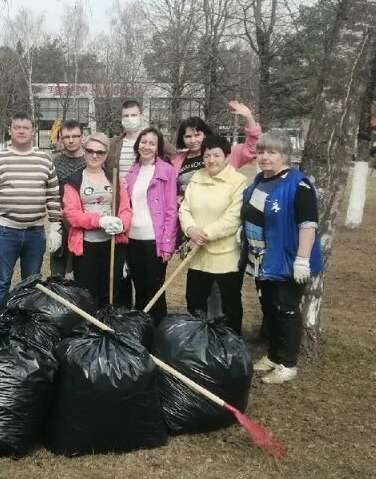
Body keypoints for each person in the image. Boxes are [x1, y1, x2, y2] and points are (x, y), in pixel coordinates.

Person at [240, 131, 323, 385]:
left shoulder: (299, 184)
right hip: (261, 260)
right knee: (270, 308)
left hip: (286, 260)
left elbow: (308, 224)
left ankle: (288, 364)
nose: (264, 157)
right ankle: (274, 355)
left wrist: (302, 259)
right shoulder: (259, 180)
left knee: (285, 310)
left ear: (285, 155)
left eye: (271, 152)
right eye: (262, 151)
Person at [0, 113, 62, 313]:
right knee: (1, 282)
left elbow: (53, 196)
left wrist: (56, 228)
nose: (22, 131)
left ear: (33, 130)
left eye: (26, 127)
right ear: (10, 130)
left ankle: (26, 327)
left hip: (35, 232)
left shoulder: (45, 159)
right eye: (17, 127)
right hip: (5, 231)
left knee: (31, 284)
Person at [178, 135, 249, 335]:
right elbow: (185, 209)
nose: (211, 160)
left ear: (227, 157)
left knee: (230, 304)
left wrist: (205, 234)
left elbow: (233, 217)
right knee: (195, 300)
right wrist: (191, 230)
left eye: (216, 155)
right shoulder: (197, 177)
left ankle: (230, 342)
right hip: (197, 255)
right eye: (207, 155)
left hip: (226, 256)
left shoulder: (238, 181)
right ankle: (199, 342)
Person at [63, 132, 132, 307]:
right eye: (90, 150)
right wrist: (99, 220)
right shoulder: (74, 180)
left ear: (106, 155)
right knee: (87, 293)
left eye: (100, 152)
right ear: (84, 152)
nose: (95, 155)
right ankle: (89, 330)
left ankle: (106, 327)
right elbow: (71, 213)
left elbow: (126, 209)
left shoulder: (114, 178)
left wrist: (121, 224)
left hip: (111, 245)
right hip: (85, 245)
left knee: (109, 292)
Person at [124, 127, 178, 323]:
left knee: (155, 290)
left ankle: (157, 330)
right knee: (139, 288)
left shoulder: (167, 171)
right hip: (133, 238)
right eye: (143, 142)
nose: (146, 146)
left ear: (158, 148)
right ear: (138, 145)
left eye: (152, 143)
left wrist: (167, 244)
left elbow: (172, 210)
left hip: (154, 239)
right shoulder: (132, 172)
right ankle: (141, 328)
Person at [170, 101, 262, 194]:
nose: (193, 140)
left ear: (205, 135)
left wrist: (249, 117)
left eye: (197, 135)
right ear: (182, 139)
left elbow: (253, 146)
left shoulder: (226, 153)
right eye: (188, 137)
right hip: (186, 207)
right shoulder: (175, 161)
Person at [49, 120, 87, 278]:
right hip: (61, 220)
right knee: (58, 268)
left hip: (86, 221)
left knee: (84, 268)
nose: (71, 140)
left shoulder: (90, 160)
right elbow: (51, 193)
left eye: (75, 136)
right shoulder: (55, 163)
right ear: (61, 139)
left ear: (82, 137)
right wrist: (55, 223)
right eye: (66, 137)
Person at [105, 100, 145, 176]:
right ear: (121, 118)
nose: (130, 119)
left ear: (141, 117)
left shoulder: (154, 141)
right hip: (119, 187)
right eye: (126, 116)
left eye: (133, 115)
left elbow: (174, 159)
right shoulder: (112, 143)